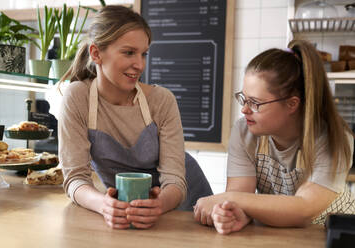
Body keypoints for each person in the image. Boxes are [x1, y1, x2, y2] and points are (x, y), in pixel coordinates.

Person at [58, 5, 212, 230]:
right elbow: (75, 179)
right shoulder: (77, 97)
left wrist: (158, 205)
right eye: (129, 52)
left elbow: (176, 181)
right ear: (96, 53)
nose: (140, 65)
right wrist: (104, 205)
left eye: (144, 54)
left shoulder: (162, 100)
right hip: (127, 210)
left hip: (181, 202)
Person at [193, 40, 355, 234]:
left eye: (255, 103)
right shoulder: (244, 131)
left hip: (333, 235)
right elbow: (241, 195)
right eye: (244, 98)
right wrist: (232, 214)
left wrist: (229, 198)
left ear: (291, 104)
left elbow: (303, 209)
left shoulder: (333, 138)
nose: (244, 109)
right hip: (279, 234)